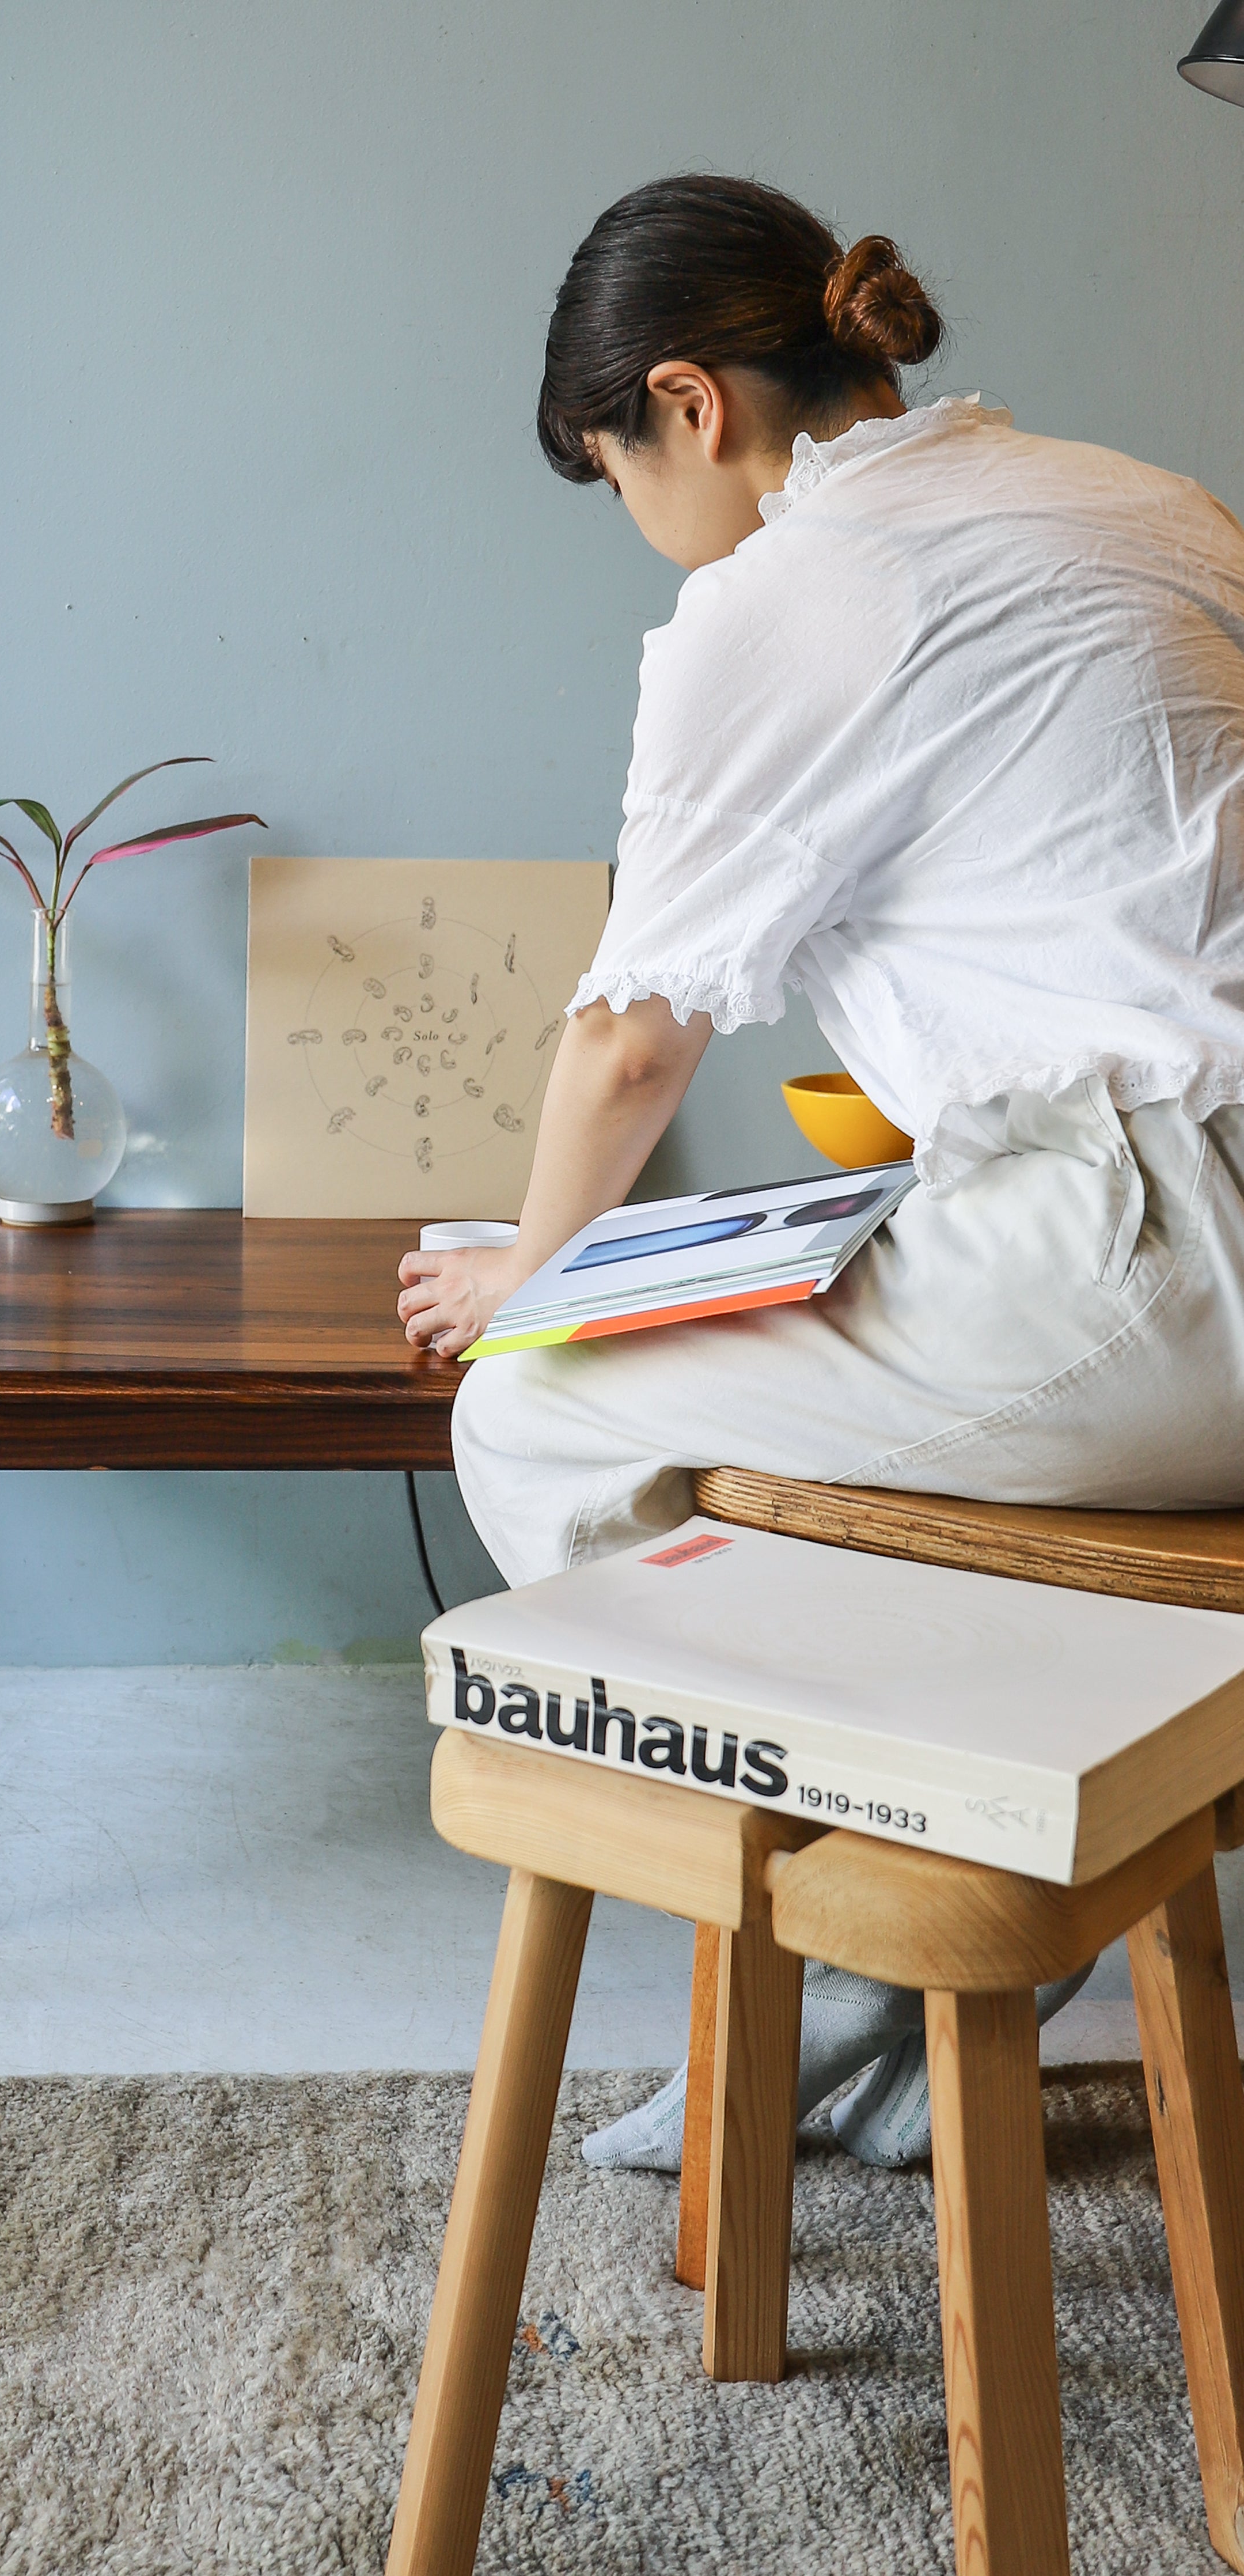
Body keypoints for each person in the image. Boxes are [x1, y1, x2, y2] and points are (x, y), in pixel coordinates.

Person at [397, 173, 1244, 2172]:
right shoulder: (1147, 500)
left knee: (534, 1410)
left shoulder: (788, 592)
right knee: (754, 1338)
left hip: (1148, 1263)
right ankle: (942, 1893)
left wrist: (528, 1276)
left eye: (615, 471)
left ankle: (846, 1942)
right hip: (1153, 1232)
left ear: (687, 404)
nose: (642, 529)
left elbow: (631, 1038)